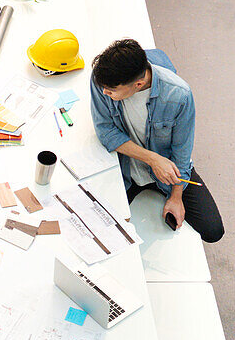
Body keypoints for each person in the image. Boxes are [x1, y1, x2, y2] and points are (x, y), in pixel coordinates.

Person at [89, 38, 224, 243]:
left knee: (213, 231)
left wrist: (176, 196)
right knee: (97, 228)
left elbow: (182, 151)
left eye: (111, 91)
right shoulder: (103, 79)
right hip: (126, 166)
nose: (104, 93)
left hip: (168, 171)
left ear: (139, 84)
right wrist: (152, 159)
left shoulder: (178, 95)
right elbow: (105, 130)